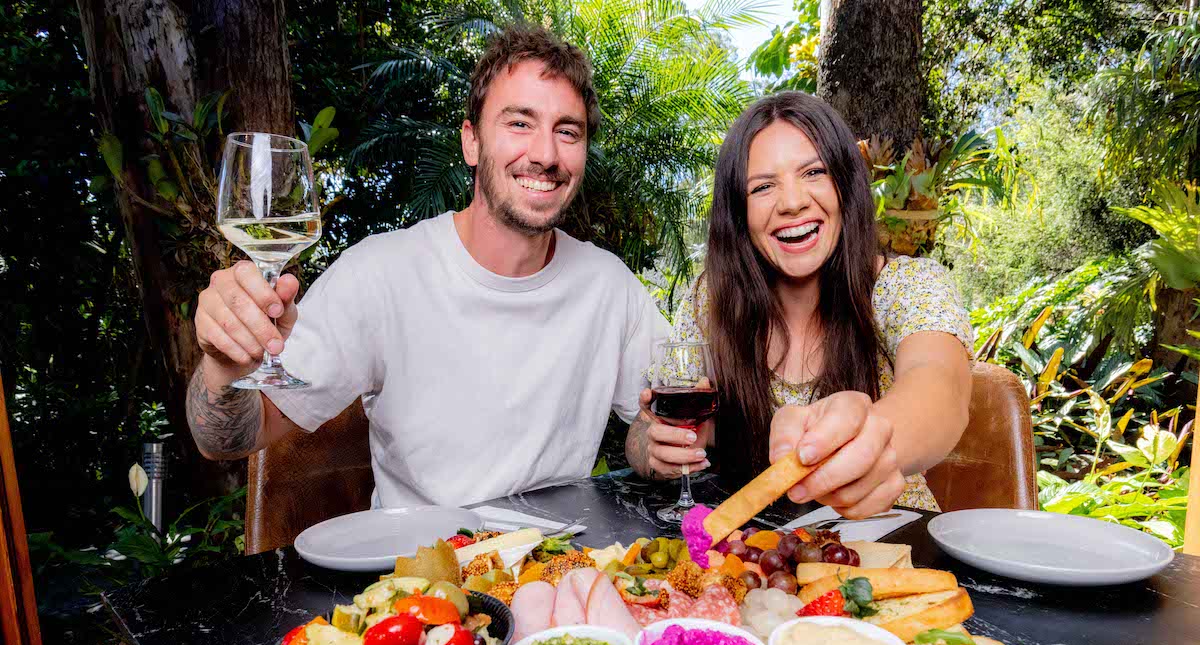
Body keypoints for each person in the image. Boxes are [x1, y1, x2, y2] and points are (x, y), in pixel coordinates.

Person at [186, 25, 669, 508]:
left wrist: (654, 446)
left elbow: (663, 423)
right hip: (418, 575)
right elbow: (225, 440)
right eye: (519, 123)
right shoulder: (379, 275)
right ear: (472, 142)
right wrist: (222, 368)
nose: (545, 154)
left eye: (567, 131)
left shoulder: (609, 286)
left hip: (558, 571)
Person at [626, 92, 973, 517]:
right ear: (739, 212)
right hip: (760, 554)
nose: (791, 202)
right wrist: (652, 447)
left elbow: (939, 387)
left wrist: (878, 437)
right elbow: (651, 428)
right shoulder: (711, 301)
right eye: (763, 186)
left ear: (845, 186)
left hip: (896, 549)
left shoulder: (908, 285)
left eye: (813, 172)